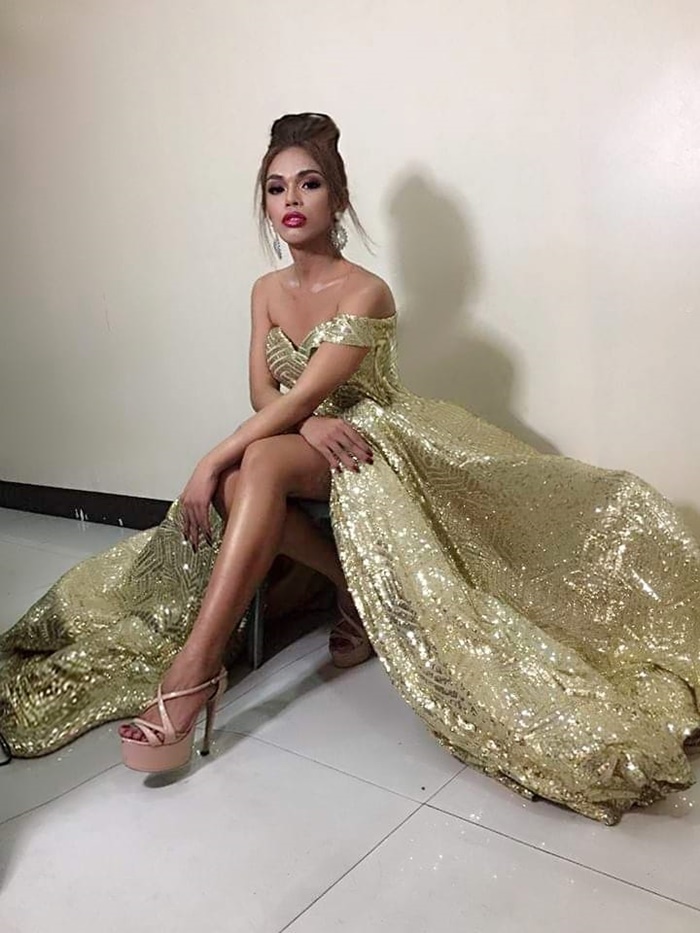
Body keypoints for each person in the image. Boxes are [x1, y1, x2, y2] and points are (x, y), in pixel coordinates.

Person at [2, 113, 700, 824]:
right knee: (248, 476)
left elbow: (309, 391)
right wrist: (294, 425)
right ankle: (342, 590)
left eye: (309, 184)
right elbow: (266, 395)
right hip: (302, 436)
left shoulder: (366, 290)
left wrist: (212, 456)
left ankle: (193, 670)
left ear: (337, 198)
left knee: (245, 467)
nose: (291, 199)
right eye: (276, 187)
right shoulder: (264, 290)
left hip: (369, 438)